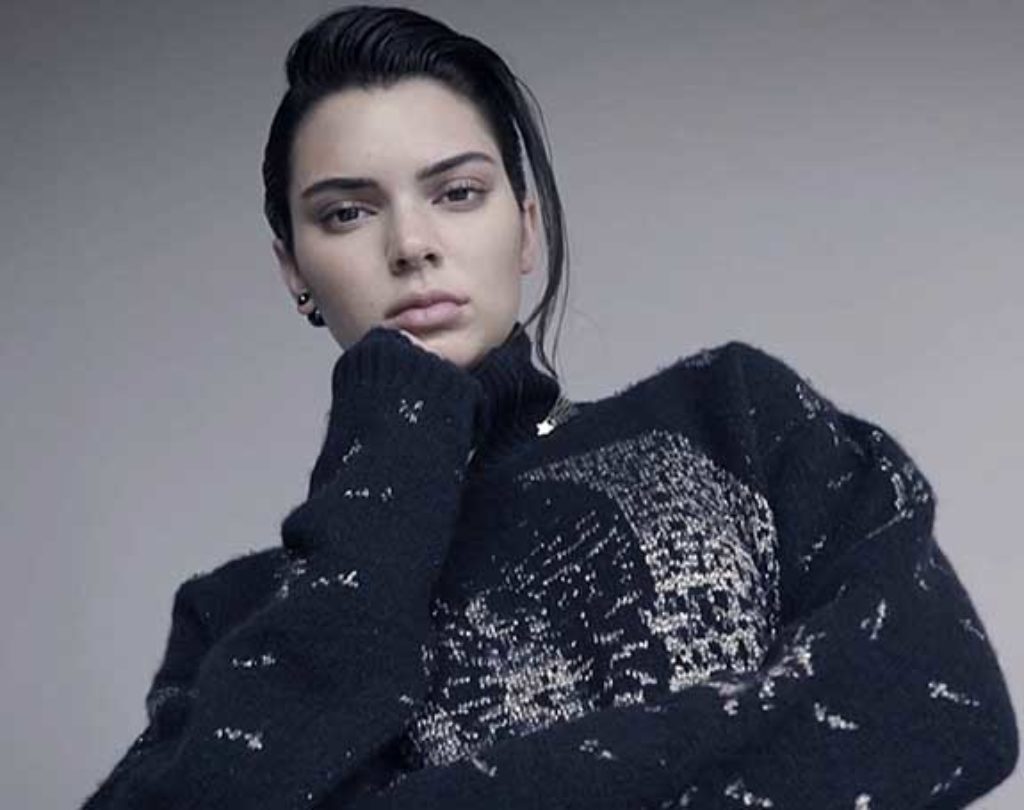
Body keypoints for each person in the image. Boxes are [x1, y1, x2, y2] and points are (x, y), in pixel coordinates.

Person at [79, 6, 1018, 809]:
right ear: (294, 269)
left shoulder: (731, 419)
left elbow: (935, 701)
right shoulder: (237, 616)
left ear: (525, 227)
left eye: (458, 193)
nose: (412, 244)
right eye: (346, 213)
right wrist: (391, 449)